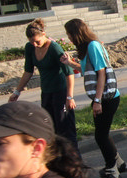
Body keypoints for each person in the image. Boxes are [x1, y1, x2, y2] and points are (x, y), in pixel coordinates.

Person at [61, 18, 127, 178]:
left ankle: (112, 173)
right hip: (103, 98)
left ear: (76, 33)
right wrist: (70, 63)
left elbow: (102, 73)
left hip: (107, 98)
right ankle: (118, 164)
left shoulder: (93, 46)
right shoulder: (89, 47)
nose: (69, 38)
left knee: (100, 136)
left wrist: (98, 101)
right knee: (102, 134)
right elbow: (87, 70)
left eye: (69, 34)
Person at [9, 18, 78, 153]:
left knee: (65, 130)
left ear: (44, 34)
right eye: (31, 42)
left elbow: (69, 73)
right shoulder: (30, 48)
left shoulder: (54, 48)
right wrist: (17, 92)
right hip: (46, 93)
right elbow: (28, 72)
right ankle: (57, 158)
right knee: (50, 128)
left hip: (61, 92)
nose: (34, 45)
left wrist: (69, 97)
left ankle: (74, 159)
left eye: (37, 41)